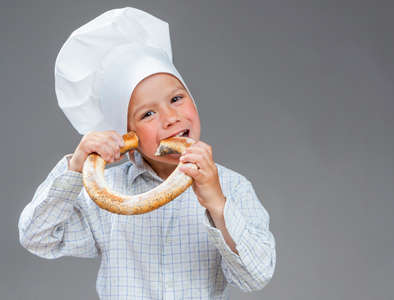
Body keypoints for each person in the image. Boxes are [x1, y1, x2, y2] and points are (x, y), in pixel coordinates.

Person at [18, 7, 276, 300]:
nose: (170, 118)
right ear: (128, 135)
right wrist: (76, 166)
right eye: (148, 113)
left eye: (177, 99)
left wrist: (216, 203)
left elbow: (256, 275)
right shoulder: (107, 193)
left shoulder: (233, 187)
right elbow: (37, 238)